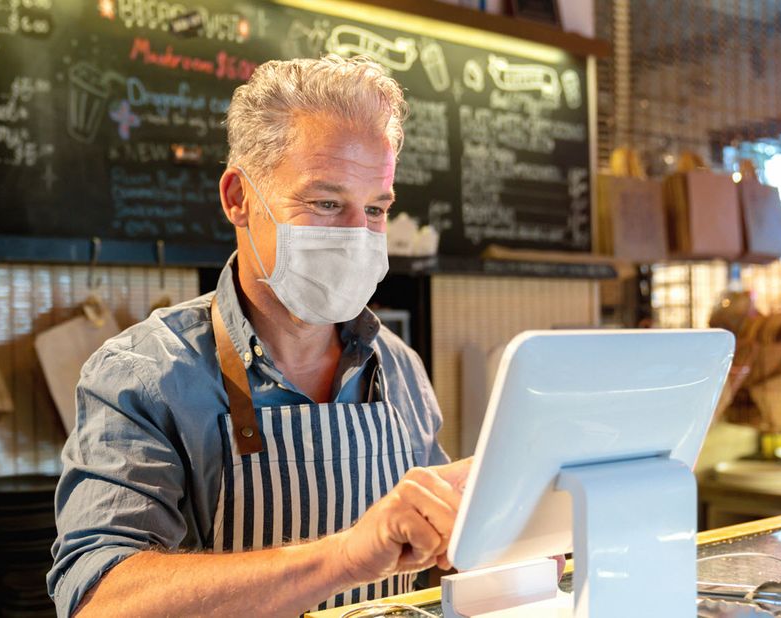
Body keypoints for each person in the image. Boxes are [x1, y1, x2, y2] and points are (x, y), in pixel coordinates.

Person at [47, 55, 471, 617]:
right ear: (238, 199)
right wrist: (344, 557)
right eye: (325, 203)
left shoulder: (397, 368)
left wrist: (484, 529)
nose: (356, 235)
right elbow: (98, 600)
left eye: (374, 209)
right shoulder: (142, 376)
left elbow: (436, 557)